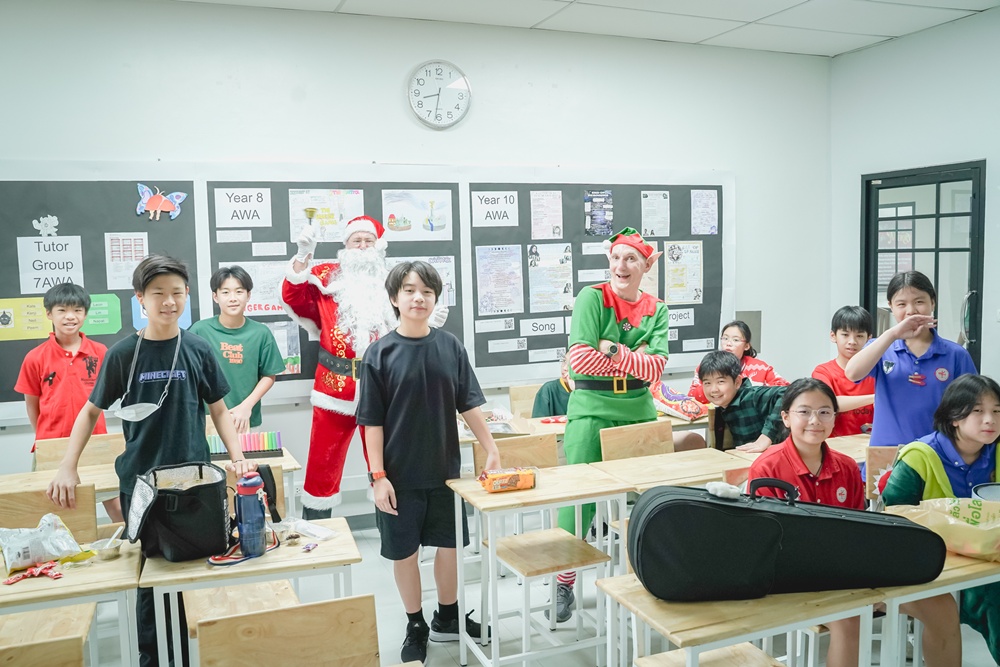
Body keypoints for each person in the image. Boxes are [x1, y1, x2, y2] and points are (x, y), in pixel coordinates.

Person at [46, 255, 256, 666]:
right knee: (149, 573)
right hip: (141, 483)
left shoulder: (197, 348)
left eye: (177, 293)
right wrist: (68, 465)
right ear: (140, 298)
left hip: (193, 484)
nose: (169, 301)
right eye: (158, 293)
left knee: (192, 568)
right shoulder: (124, 354)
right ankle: (153, 658)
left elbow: (218, 409)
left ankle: (192, 652)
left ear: (188, 295)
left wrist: (239, 457)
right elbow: (90, 412)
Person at [749, 378, 961, 667]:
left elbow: (859, 532)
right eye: (804, 412)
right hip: (795, 580)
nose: (815, 420)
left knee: (942, 605)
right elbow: (768, 547)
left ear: (834, 417)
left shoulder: (846, 466)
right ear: (785, 418)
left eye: (825, 412)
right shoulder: (767, 467)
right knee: (851, 619)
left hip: (850, 573)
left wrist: (869, 582)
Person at [356, 261, 499, 665]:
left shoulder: (450, 346)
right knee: (404, 553)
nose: (418, 298)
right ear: (394, 298)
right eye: (409, 290)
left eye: (427, 291)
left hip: (445, 473)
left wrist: (491, 448)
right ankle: (415, 624)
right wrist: (378, 476)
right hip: (398, 477)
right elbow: (371, 423)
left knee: (449, 547)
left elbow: (469, 403)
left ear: (436, 299)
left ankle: (447, 617)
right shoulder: (379, 354)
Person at [282, 215, 448, 518]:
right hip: (334, 387)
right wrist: (303, 255)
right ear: (345, 246)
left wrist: (428, 320)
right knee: (322, 464)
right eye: (355, 241)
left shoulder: (395, 284)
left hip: (386, 387)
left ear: (378, 245)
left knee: (388, 462)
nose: (361, 246)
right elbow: (293, 297)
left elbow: (412, 324)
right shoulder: (325, 279)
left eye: (368, 241)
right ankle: (318, 527)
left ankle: (394, 525)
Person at [555, 226, 668, 622]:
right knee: (579, 499)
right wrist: (633, 355)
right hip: (590, 408)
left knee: (651, 499)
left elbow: (655, 369)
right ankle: (564, 581)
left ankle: (650, 578)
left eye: (631, 259)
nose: (622, 266)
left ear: (645, 266)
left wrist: (612, 349)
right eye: (616, 257)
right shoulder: (592, 297)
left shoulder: (657, 308)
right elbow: (579, 360)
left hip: (639, 410)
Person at [882, 373, 1000, 663]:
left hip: (988, 560)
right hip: (932, 564)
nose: (990, 420)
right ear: (954, 417)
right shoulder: (920, 457)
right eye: (978, 411)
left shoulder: (997, 453)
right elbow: (894, 516)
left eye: (997, 411)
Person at [15, 283, 120, 521]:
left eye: (77, 310)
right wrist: (45, 440)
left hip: (96, 441)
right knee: (54, 512)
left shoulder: (100, 352)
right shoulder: (35, 357)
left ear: (85, 314)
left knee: (117, 506)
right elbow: (32, 404)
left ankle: (133, 544)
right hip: (52, 444)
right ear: (49, 314)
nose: (70, 316)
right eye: (62, 310)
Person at [845, 270, 976, 449]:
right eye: (901, 304)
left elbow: (972, 408)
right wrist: (892, 334)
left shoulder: (956, 355)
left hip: (938, 453)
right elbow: (852, 373)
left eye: (919, 302)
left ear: (933, 302)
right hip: (886, 453)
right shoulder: (881, 347)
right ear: (891, 306)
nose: (911, 311)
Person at [189, 266, 285, 433]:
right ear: (215, 297)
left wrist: (246, 406)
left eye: (239, 292)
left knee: (246, 452)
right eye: (225, 292)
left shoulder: (261, 333)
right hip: (208, 421)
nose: (232, 298)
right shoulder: (200, 331)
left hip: (244, 419)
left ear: (248, 295)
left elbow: (269, 375)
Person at [689, 350, 787, 453]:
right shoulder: (724, 405)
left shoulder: (752, 396)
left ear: (737, 382)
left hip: (774, 457)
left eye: (720, 382)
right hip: (745, 457)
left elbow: (787, 393)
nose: (714, 389)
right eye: (707, 383)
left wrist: (766, 437)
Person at [812, 306, 876, 437]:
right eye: (845, 335)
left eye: (859, 336)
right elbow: (829, 404)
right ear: (833, 336)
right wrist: (876, 398)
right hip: (834, 444)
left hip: (870, 444)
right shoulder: (823, 372)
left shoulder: (877, 372)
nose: (852, 342)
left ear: (869, 339)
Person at [687, 320, 788, 404]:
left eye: (735, 340)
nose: (728, 343)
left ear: (746, 346)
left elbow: (785, 390)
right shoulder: (708, 366)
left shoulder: (760, 367)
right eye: (725, 338)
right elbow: (692, 397)